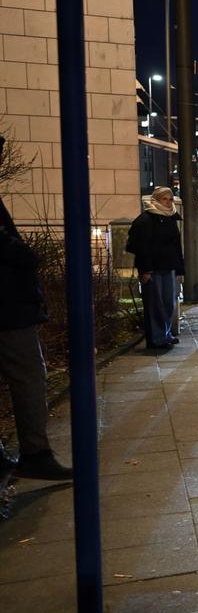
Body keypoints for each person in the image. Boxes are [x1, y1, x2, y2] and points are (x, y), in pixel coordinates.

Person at [0, 194, 73, 480]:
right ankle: (35, 454)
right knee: (29, 376)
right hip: (8, 307)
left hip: (11, 304)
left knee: (27, 375)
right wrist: (26, 255)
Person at [126, 187, 184, 349]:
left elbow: (176, 246)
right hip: (153, 269)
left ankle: (165, 333)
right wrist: (145, 269)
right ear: (156, 200)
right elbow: (140, 247)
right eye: (164, 199)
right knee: (154, 304)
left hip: (168, 267)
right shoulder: (145, 220)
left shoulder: (170, 218)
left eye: (170, 199)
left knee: (168, 302)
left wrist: (179, 269)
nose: (168, 202)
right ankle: (157, 338)